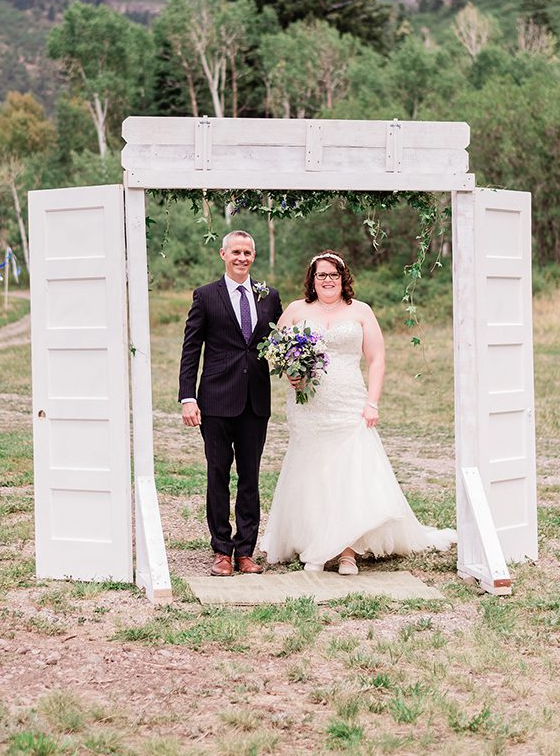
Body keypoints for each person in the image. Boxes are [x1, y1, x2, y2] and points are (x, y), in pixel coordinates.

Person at [260, 251, 456, 574]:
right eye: (321, 275)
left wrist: (372, 402)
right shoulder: (296, 310)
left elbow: (376, 359)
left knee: (348, 475)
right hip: (308, 405)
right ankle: (316, 545)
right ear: (312, 278)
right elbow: (274, 352)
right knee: (312, 474)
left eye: (333, 275)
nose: (327, 280)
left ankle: (348, 551)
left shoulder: (361, 311)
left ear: (343, 278)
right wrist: (290, 371)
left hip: (348, 402)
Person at [178, 230, 284, 577]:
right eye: (236, 251)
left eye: (248, 252)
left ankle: (245, 552)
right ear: (223, 254)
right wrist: (188, 397)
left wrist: (296, 367)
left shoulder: (268, 296)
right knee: (218, 475)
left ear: (254, 256)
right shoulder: (206, 295)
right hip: (216, 401)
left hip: (255, 402)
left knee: (250, 478)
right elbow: (191, 349)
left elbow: (278, 345)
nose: (242, 258)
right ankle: (221, 550)